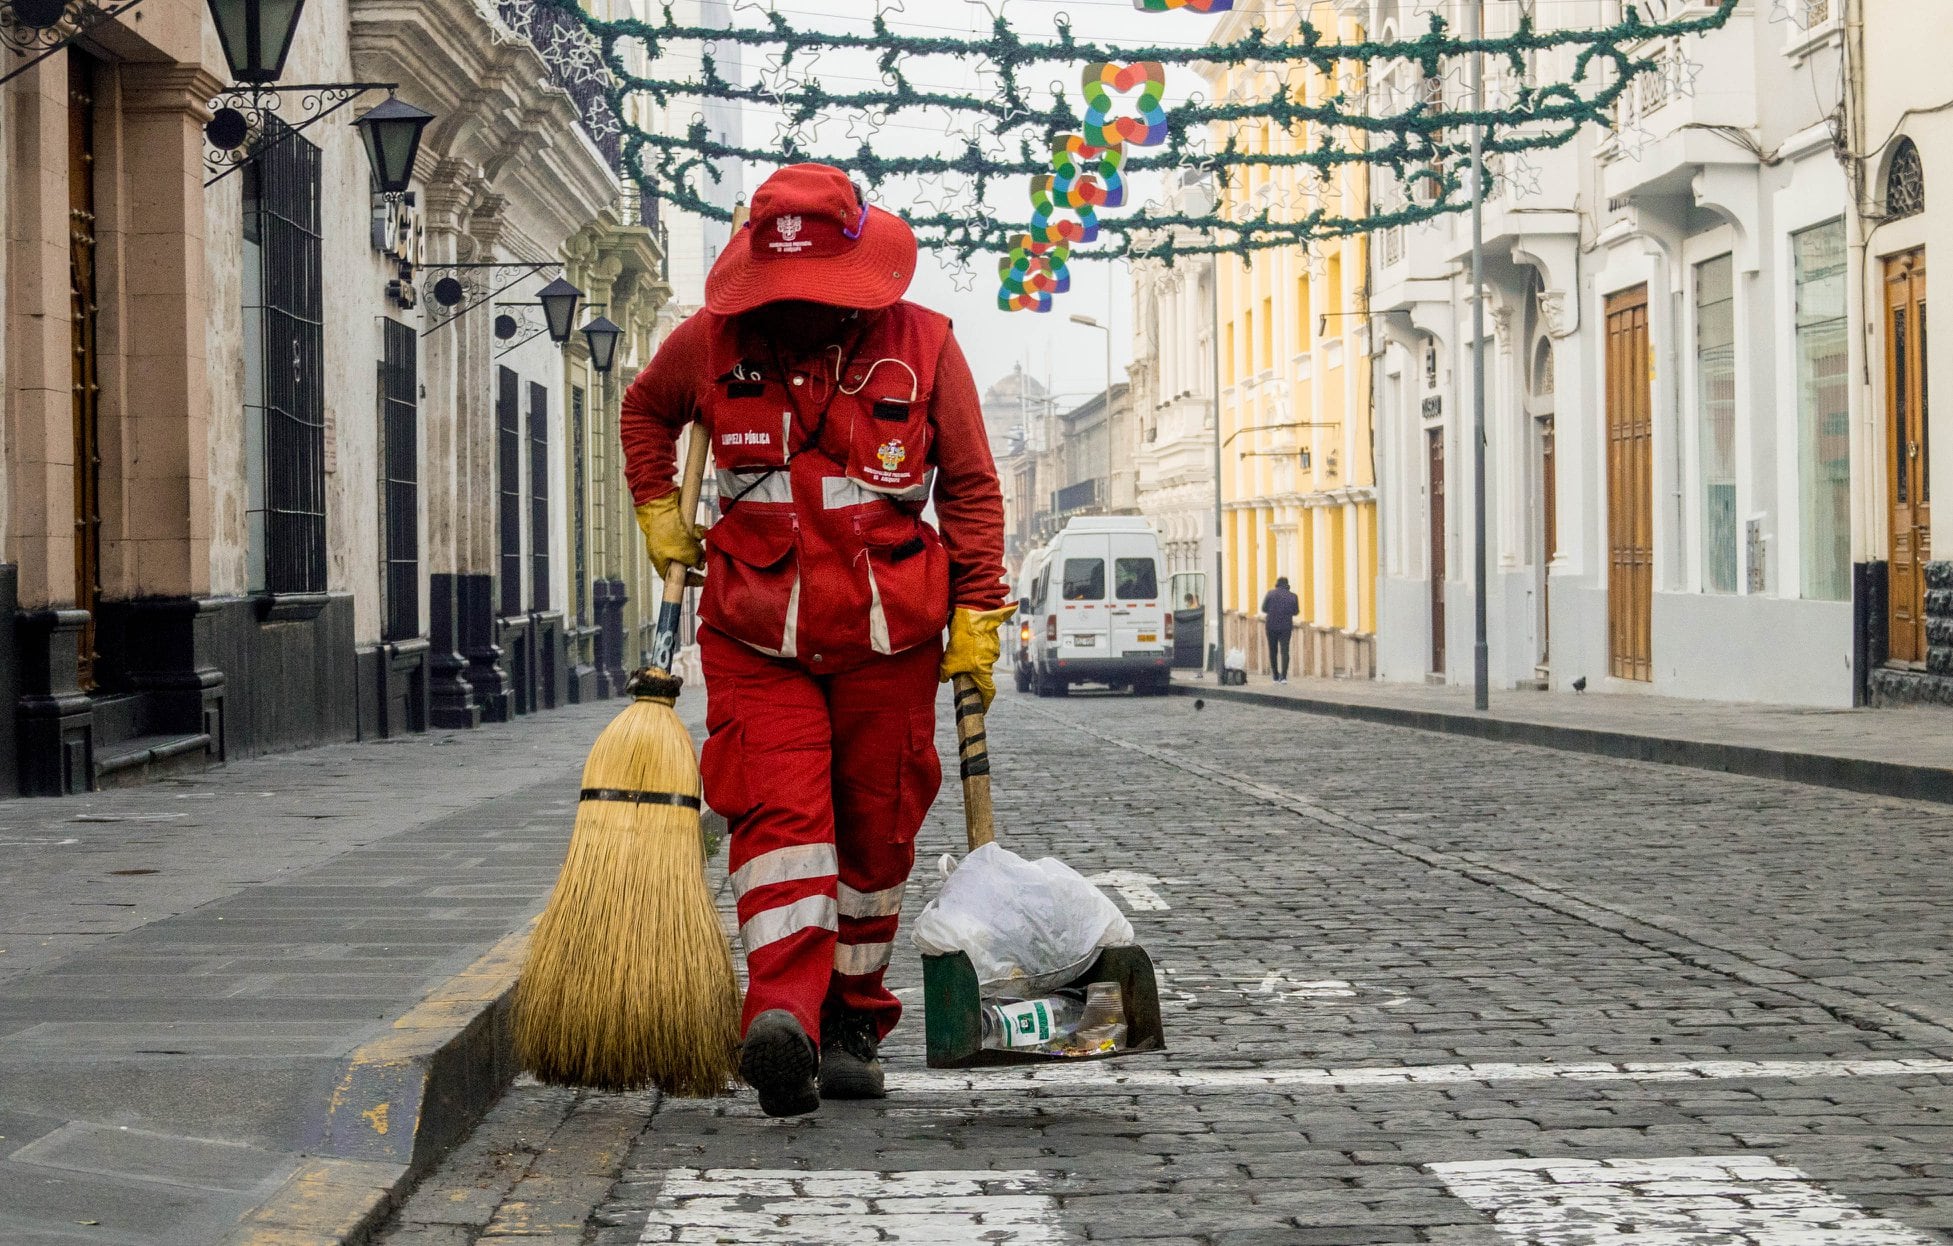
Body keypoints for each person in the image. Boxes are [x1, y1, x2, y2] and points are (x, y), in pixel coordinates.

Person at [620, 164, 1012, 1117]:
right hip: (756, 635)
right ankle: (783, 1016)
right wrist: (658, 508)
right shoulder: (709, 344)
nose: (797, 310)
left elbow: (969, 487)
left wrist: (978, 611)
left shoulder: (926, 348)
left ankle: (852, 1024)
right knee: (780, 820)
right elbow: (644, 410)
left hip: (892, 638)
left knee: (875, 834)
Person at [1261, 576, 1299, 684]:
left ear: (1277, 584)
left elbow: (1264, 608)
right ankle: (1284, 677)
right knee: (1285, 651)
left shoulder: (1270, 594)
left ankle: (1275, 676)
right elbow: (1296, 612)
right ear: (1287, 585)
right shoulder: (1293, 596)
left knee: (1273, 651)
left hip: (1271, 626)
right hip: (1286, 627)